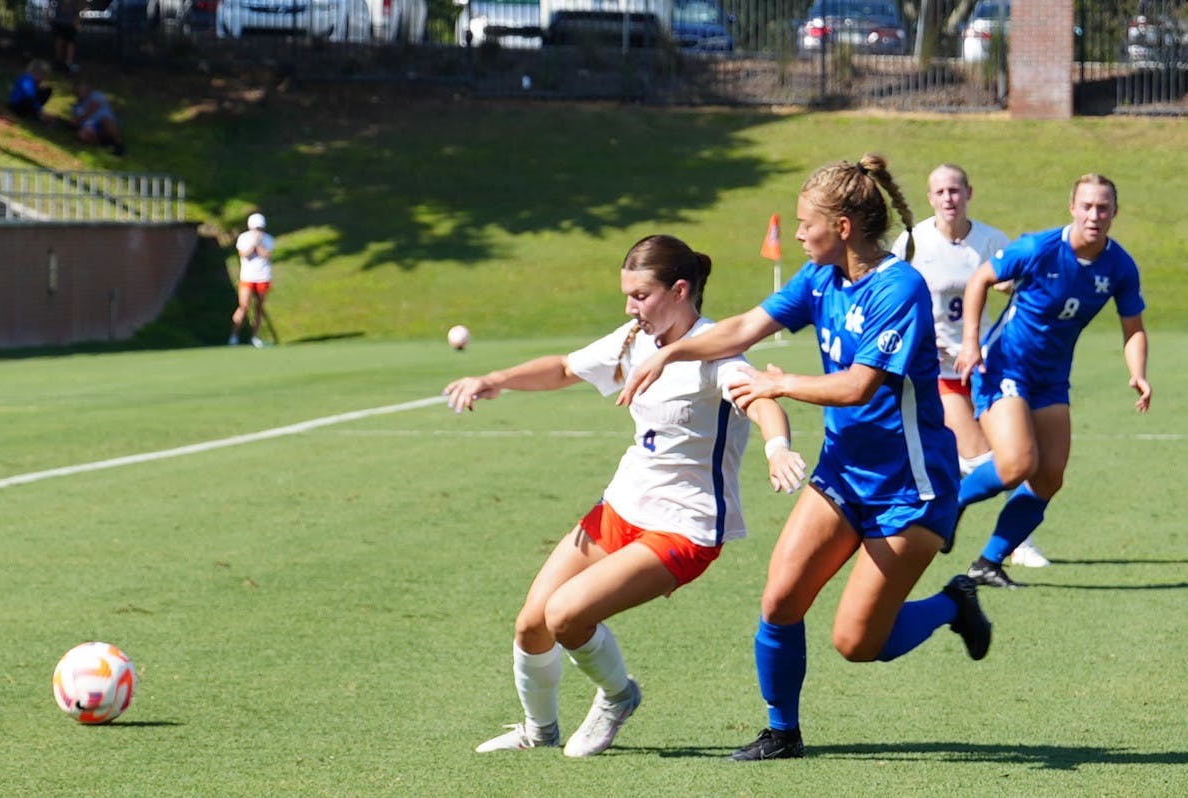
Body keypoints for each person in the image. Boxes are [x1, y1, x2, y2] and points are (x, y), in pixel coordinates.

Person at [619, 155, 992, 762]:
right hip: (843, 473)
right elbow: (743, 328)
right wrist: (670, 354)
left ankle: (954, 603)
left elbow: (857, 386)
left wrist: (778, 384)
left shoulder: (898, 288)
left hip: (911, 489)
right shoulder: (821, 279)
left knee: (857, 642)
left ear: (842, 226)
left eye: (805, 223)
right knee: (780, 600)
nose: (796, 234)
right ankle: (782, 733)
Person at [444, 234, 808, 758]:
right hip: (621, 505)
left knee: (566, 615)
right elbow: (566, 368)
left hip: (684, 526)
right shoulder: (634, 338)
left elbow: (761, 402)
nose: (630, 307)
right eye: (627, 296)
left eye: (640, 295)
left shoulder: (716, 351)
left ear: (679, 290)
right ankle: (538, 729)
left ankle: (618, 696)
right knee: (531, 623)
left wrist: (776, 447)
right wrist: (495, 378)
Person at [954, 173, 1150, 589]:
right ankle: (950, 504)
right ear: (1072, 208)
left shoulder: (1120, 266)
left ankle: (988, 562)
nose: (1094, 215)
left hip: (1051, 380)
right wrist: (970, 343)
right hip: (1004, 367)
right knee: (1018, 464)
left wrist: (1138, 373)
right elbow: (980, 280)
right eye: (1087, 206)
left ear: (1115, 212)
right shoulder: (1037, 248)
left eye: (1103, 207)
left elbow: (1133, 326)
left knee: (1049, 477)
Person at [891, 165, 1050, 569]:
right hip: (937, 369)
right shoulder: (912, 242)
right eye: (940, 191)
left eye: (955, 190)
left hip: (985, 367)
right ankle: (1011, 538)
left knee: (1019, 457)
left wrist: (1010, 284)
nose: (948, 198)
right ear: (930, 198)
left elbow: (1017, 286)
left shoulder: (990, 239)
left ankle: (1014, 540)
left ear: (969, 194)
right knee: (988, 461)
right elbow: (890, 296)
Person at [229, 213, 275, 347]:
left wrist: (259, 243)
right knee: (244, 306)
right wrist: (253, 243)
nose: (258, 231)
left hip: (263, 276)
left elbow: (266, 255)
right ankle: (234, 336)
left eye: (260, 228)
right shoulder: (243, 238)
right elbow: (245, 255)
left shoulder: (268, 239)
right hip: (247, 277)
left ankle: (254, 337)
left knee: (259, 309)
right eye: (256, 228)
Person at [69, 81, 125, 156]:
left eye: (82, 89)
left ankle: (118, 143)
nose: (80, 92)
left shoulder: (95, 95)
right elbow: (76, 122)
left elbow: (93, 107)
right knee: (82, 135)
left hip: (104, 122)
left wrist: (78, 119)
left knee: (106, 120)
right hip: (91, 127)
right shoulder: (75, 107)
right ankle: (103, 144)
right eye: (78, 90)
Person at [49, 0, 81, 73]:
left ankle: (69, 62)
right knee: (59, 40)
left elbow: (78, 12)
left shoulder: (75, 3)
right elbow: (50, 9)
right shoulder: (57, 2)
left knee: (71, 42)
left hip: (70, 25)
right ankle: (59, 61)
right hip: (59, 25)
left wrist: (76, 20)